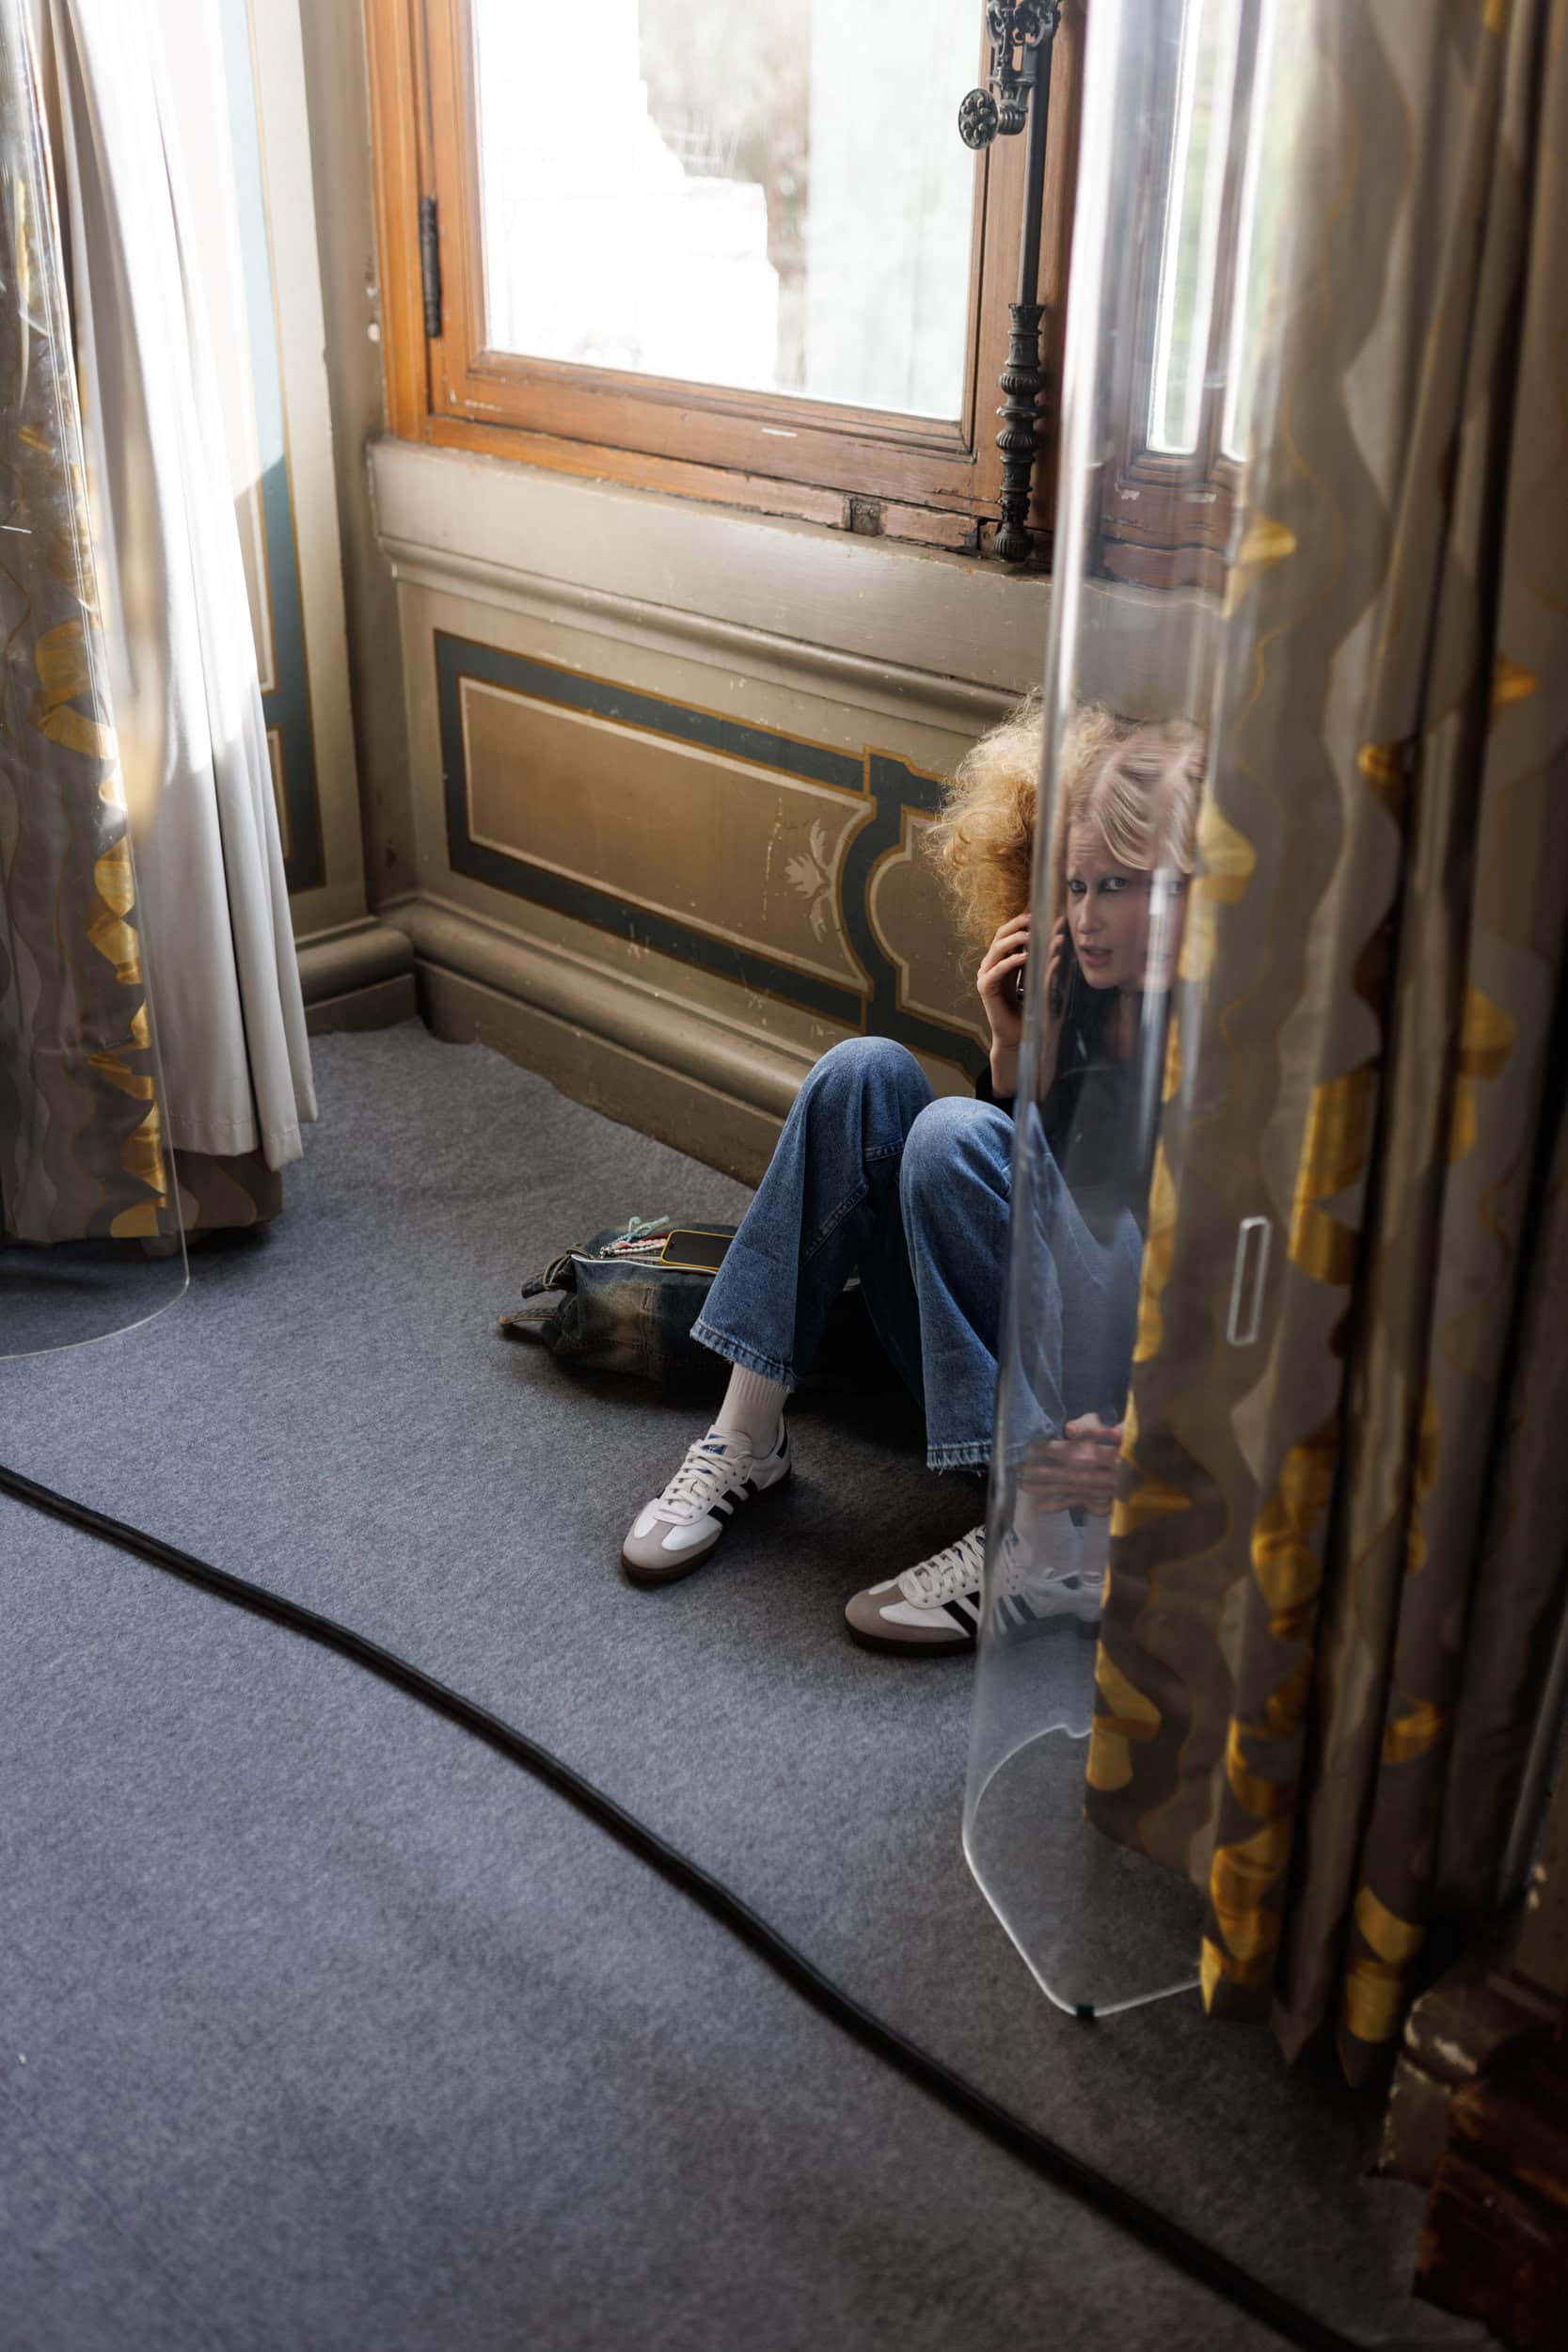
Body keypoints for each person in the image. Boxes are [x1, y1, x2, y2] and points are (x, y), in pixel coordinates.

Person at [619, 699, 1205, 1654]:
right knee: (864, 1072)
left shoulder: (1222, 1039)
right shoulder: (1080, 994)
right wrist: (1012, 1047)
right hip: (1005, 1353)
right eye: (1071, 885)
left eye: (1116, 886)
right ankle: (746, 1435)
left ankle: (1046, 1537)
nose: (1086, 915)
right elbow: (1012, 1206)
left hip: (1111, 1415)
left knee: (950, 1136)